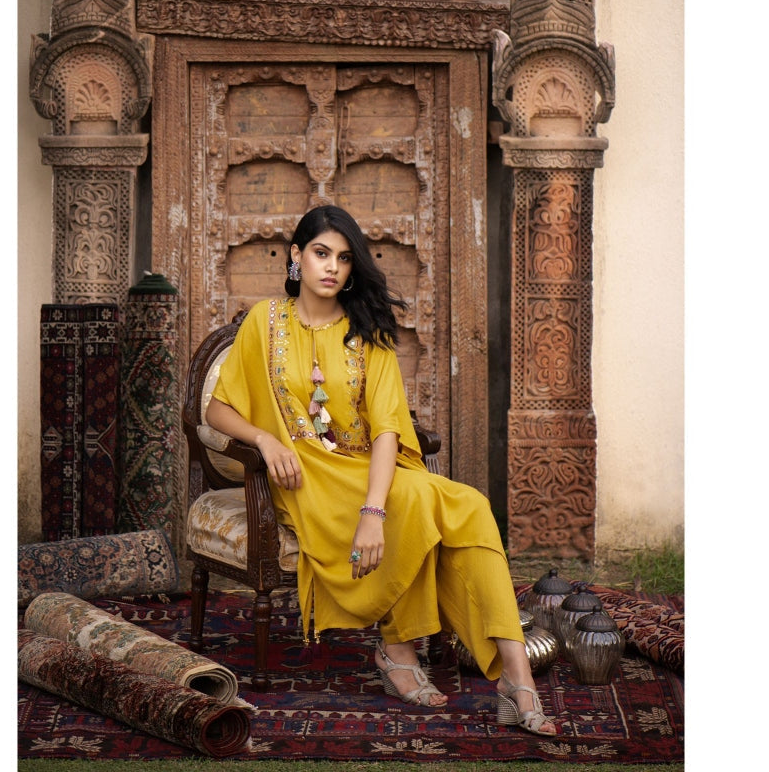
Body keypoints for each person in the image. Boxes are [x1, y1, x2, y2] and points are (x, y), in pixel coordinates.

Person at [205, 204, 557, 736]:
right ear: (297, 255)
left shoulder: (367, 330)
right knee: (422, 503)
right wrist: (265, 439)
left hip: (367, 471)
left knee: (467, 506)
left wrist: (373, 511)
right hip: (304, 479)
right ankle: (399, 651)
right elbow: (217, 410)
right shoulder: (264, 321)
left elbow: (389, 428)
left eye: (345, 258)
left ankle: (516, 675)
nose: (332, 267)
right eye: (321, 253)